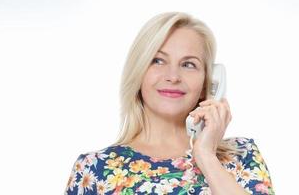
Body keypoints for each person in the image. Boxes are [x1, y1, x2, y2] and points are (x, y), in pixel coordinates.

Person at [64, 12, 274, 195]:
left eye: (188, 64)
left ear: (207, 83)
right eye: (158, 60)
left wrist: (206, 156)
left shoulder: (242, 155)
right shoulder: (94, 169)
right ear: (139, 72)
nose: (173, 76)